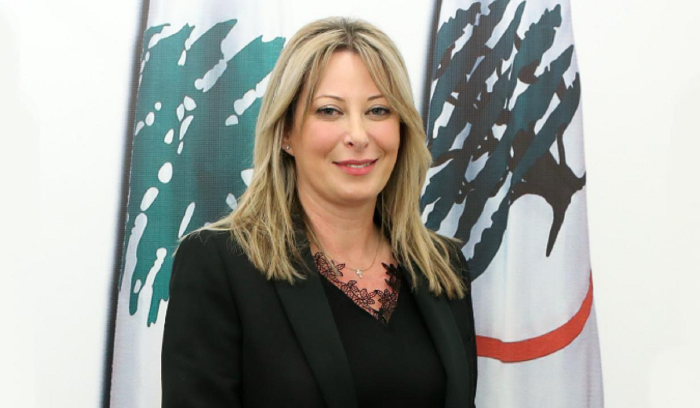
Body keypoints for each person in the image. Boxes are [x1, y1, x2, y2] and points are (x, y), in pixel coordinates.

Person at [161, 17, 477, 408]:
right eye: (329, 111)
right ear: (286, 133)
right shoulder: (218, 264)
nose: (358, 135)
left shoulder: (444, 267)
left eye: (378, 110)